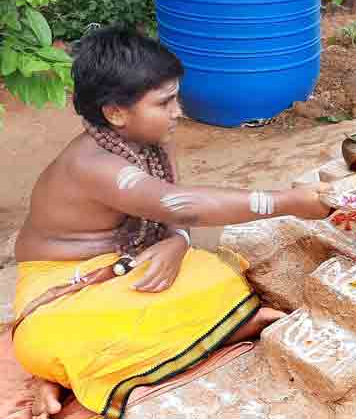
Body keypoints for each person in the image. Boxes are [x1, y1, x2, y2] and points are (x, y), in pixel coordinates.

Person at [12, 27, 332, 419]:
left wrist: (178, 243)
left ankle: (71, 371)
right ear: (115, 113)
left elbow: (172, 214)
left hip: (126, 262)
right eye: (164, 103)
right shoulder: (92, 164)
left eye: (175, 98)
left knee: (216, 273)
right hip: (65, 287)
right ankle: (57, 373)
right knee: (50, 339)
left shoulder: (152, 141)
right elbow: (178, 205)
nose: (177, 112)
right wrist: (285, 202)